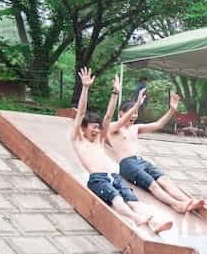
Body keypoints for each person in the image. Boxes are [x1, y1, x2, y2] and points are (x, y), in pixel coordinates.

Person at [71, 67, 173, 234]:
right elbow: (81, 112)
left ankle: (153, 223)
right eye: (94, 128)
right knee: (117, 198)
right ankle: (137, 219)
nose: (97, 131)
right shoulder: (78, 140)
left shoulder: (99, 140)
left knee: (133, 200)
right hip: (97, 179)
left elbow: (109, 116)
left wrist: (115, 93)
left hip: (113, 176)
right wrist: (85, 87)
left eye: (98, 128)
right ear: (83, 128)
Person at [108, 88, 205, 213]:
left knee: (165, 180)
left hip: (141, 161)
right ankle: (176, 204)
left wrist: (172, 110)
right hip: (127, 164)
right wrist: (137, 103)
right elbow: (116, 120)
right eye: (131, 112)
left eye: (136, 112)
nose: (134, 116)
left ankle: (188, 200)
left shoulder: (136, 128)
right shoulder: (113, 128)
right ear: (121, 113)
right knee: (153, 185)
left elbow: (158, 124)